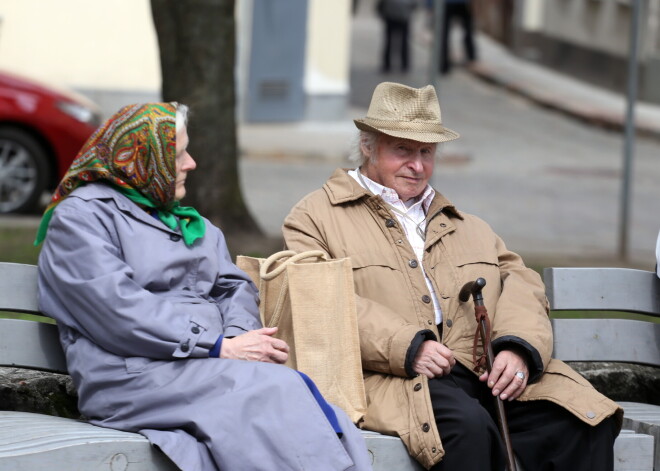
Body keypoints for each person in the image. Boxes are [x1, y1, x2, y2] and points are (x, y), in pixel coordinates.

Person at [282, 82, 622, 470]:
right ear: (368, 145)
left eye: (427, 152)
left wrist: (517, 348)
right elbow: (316, 297)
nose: (418, 165)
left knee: (581, 420)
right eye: (403, 150)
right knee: (468, 430)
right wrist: (409, 347)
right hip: (392, 376)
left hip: (482, 372)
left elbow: (521, 282)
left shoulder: (466, 224)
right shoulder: (314, 217)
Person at [36, 103, 372, 471]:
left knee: (317, 406)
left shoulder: (183, 220)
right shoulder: (81, 218)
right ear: (142, 160)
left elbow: (232, 287)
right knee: (275, 390)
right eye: (178, 154)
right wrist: (216, 347)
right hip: (130, 373)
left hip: (204, 366)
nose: (191, 163)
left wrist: (240, 339)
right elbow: (115, 308)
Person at [377, 0, 417, 73]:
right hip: (404, 14)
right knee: (404, 42)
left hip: (391, 13)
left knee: (389, 41)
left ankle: (387, 65)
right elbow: (414, 4)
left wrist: (380, 11)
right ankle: (404, 65)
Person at [440, 0, 477, 74]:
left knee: (444, 34)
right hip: (461, 3)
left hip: (449, 3)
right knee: (468, 30)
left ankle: (444, 65)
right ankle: (471, 58)